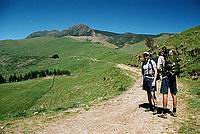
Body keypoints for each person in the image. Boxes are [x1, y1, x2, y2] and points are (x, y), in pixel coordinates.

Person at [157, 47, 179, 119]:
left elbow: (158, 68)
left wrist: (160, 72)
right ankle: (174, 111)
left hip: (165, 77)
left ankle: (164, 112)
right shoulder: (173, 57)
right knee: (174, 94)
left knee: (165, 94)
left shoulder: (161, 58)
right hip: (173, 76)